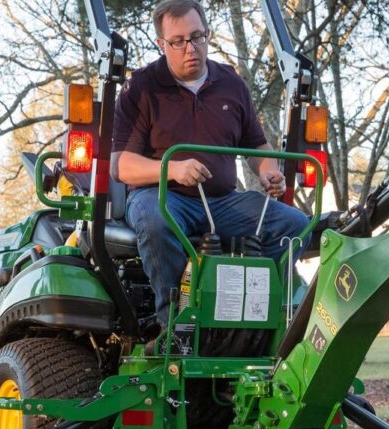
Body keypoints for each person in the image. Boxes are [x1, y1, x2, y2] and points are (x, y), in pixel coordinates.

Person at [112, 0, 309, 327]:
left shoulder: (231, 84)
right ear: (161, 44)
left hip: (222, 202)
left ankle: (254, 318)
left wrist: (268, 170)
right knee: (156, 220)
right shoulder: (142, 87)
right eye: (178, 41)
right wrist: (173, 169)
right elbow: (121, 165)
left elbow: (256, 145)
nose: (190, 48)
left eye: (197, 37)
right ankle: (177, 327)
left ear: (208, 34)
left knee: (294, 224)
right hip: (162, 197)